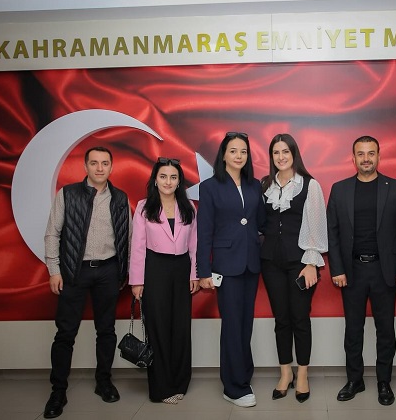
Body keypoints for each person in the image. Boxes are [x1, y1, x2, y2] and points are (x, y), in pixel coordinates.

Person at [327, 136, 396, 406]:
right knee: (353, 330)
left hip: (384, 271)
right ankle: (355, 380)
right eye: (361, 154)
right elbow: (332, 232)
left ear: (379, 156)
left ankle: (383, 382)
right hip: (351, 271)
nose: (366, 158)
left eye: (371, 153)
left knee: (385, 329)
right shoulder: (339, 189)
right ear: (353, 158)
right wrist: (337, 268)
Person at [43, 146, 131, 419]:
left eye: (105, 163)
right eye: (94, 163)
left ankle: (103, 382)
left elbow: (128, 236)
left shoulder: (120, 198)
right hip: (74, 272)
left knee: (106, 330)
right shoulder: (68, 194)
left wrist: (123, 272)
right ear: (85, 166)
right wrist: (54, 270)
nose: (100, 168)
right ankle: (58, 391)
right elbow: (52, 234)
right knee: (65, 333)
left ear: (111, 167)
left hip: (108, 271)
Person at [197, 132, 266, 408]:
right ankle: (233, 386)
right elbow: (204, 232)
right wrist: (203, 271)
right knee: (232, 324)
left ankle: (243, 375)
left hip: (251, 263)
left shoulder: (254, 185)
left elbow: (259, 222)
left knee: (245, 323)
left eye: (243, 151)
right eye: (233, 151)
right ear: (223, 155)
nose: (239, 156)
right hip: (226, 265)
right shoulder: (210, 187)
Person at [260, 133, 328, 403]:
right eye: (276, 152)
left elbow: (317, 225)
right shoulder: (265, 185)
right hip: (271, 263)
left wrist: (311, 263)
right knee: (281, 319)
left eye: (285, 151)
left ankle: (302, 374)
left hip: (300, 264)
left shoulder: (309, 185)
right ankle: (285, 372)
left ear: (294, 154)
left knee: (300, 318)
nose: (281, 157)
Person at [129, 157, 199, 404]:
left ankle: (180, 382)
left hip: (181, 269)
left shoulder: (189, 207)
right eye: (163, 176)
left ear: (179, 181)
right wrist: (137, 281)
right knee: (158, 328)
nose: (168, 182)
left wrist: (194, 274)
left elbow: (194, 245)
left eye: (173, 177)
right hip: (154, 269)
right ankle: (162, 388)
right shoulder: (144, 207)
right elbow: (137, 246)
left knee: (180, 327)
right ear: (155, 180)